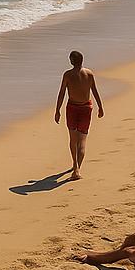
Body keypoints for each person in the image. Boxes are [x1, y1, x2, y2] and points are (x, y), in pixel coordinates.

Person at [54, 50, 104, 180]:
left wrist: (57, 110)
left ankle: (75, 167)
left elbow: (61, 94)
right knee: (82, 140)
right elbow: (95, 92)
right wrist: (100, 107)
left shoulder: (68, 75)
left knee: (73, 139)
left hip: (72, 108)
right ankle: (77, 169)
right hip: (87, 108)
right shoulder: (89, 73)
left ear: (71, 61)